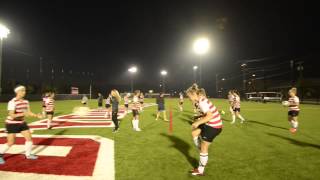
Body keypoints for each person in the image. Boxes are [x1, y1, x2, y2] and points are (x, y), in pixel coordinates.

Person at [0, 85, 43, 165]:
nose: (24, 92)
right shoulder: (12, 102)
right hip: (11, 124)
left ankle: (28, 154)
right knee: (10, 142)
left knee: (29, 139)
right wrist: (23, 113)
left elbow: (28, 112)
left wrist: (37, 115)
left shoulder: (26, 101)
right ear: (17, 92)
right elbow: (12, 115)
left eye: (25, 91)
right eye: (22, 91)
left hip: (22, 123)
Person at [186, 84, 222, 176]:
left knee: (204, 147)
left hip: (214, 126)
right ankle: (202, 152)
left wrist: (197, 122)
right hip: (211, 124)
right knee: (194, 133)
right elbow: (206, 113)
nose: (189, 98)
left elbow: (210, 116)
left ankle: (200, 170)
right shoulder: (200, 99)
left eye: (189, 96)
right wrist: (198, 116)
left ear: (194, 94)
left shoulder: (202, 102)